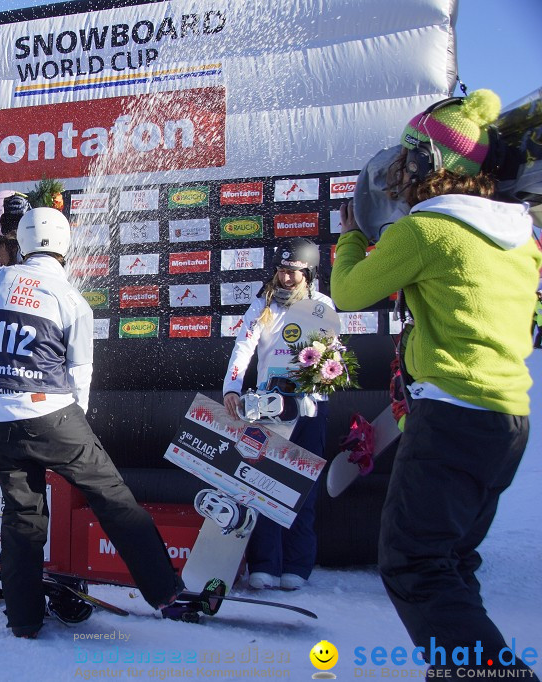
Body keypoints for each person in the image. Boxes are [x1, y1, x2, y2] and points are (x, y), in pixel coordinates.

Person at [334, 90, 541, 680]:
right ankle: (459, 669)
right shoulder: (521, 234)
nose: (396, 171)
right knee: (450, 561)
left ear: (428, 163)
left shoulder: (428, 231)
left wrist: (352, 234)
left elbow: (350, 293)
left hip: (450, 418)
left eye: (406, 157)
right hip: (506, 425)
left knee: (413, 564)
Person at [0, 206, 183, 638]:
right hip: (52, 414)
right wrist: (76, 424)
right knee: (113, 498)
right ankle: (166, 592)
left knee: (21, 518)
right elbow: (80, 374)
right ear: (65, 246)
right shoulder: (72, 299)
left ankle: (24, 619)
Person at [221, 237, 333, 591]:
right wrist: (232, 388)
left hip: (309, 406)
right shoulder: (263, 303)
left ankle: (297, 565)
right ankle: (264, 563)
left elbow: (334, 356)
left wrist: (318, 378)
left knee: (303, 487)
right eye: (282, 270)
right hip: (269, 406)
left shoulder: (322, 305)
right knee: (265, 484)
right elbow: (244, 346)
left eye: (294, 272)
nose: (286, 278)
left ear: (310, 272)